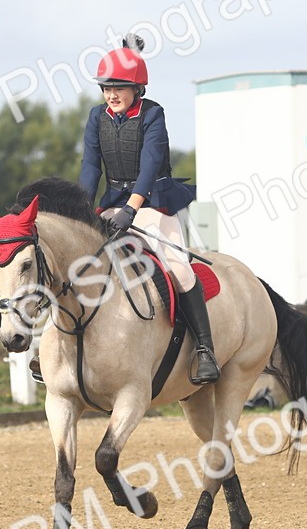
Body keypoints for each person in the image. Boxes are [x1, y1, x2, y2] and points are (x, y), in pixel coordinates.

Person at [79, 34, 219, 385]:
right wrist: (81, 207)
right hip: (114, 202)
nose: (112, 94)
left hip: (153, 200)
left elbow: (150, 164)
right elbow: (91, 167)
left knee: (179, 269)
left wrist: (131, 208)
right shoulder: (96, 117)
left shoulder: (153, 114)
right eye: (107, 88)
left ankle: (205, 349)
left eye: (119, 88)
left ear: (137, 88)